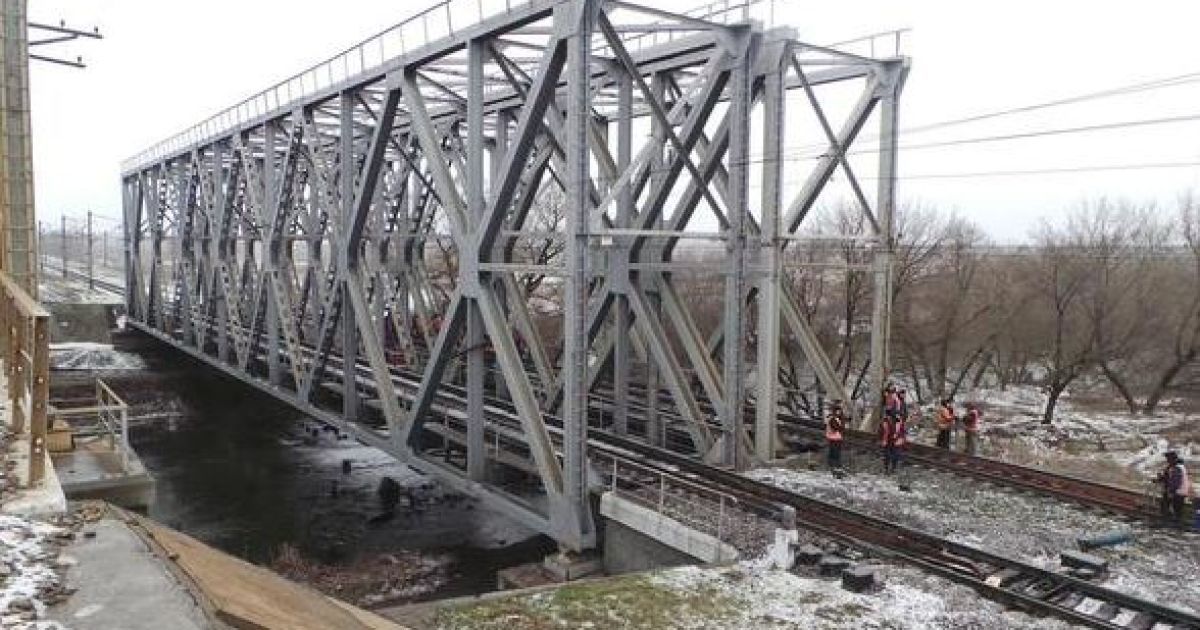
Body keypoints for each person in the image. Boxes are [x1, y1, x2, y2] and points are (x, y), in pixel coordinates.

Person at [1156, 451, 1192, 526]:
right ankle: (1169, 519)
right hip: (1178, 491)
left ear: (1172, 459)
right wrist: (1158, 479)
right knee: (1166, 503)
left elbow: (1175, 483)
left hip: (1179, 492)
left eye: (1168, 459)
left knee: (1173, 508)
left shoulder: (1177, 468)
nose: (1167, 460)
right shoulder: (1173, 467)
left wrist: (1171, 492)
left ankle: (1172, 522)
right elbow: (1166, 477)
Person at [879, 409, 907, 474]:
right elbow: (881, 432)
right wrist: (882, 440)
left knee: (896, 455)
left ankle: (893, 468)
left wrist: (901, 438)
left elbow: (903, 432)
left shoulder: (899, 423)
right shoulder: (885, 422)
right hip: (888, 441)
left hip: (896, 441)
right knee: (887, 455)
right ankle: (886, 468)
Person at [825, 403, 846, 472]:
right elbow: (837, 428)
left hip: (834, 437)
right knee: (835, 452)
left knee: (834, 452)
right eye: (839, 411)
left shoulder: (834, 418)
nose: (840, 413)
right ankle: (835, 465)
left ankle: (834, 465)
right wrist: (842, 424)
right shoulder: (833, 419)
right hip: (834, 438)